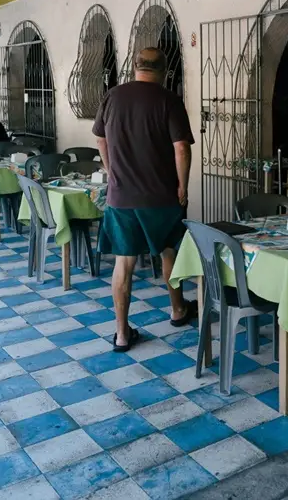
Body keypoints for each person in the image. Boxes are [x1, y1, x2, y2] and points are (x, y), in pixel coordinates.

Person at [93, 47, 196, 352]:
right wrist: (182, 186)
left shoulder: (112, 96)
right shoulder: (169, 100)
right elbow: (181, 149)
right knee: (167, 252)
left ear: (135, 66)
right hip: (160, 196)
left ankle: (122, 334)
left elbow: (100, 138)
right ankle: (178, 309)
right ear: (164, 70)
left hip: (121, 196)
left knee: (123, 264)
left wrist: (112, 171)